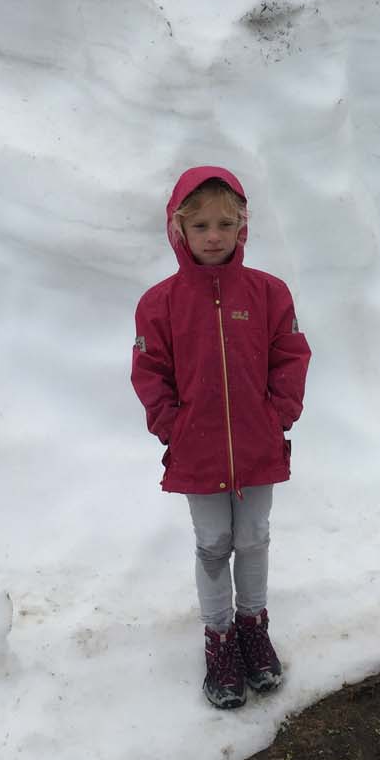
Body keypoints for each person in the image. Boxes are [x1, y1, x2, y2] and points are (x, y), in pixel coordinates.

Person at [131, 166, 311, 709]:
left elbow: (290, 354)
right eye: (202, 224)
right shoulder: (159, 302)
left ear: (242, 228)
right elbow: (149, 372)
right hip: (197, 449)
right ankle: (220, 638)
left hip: (257, 446)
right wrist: (173, 425)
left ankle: (253, 625)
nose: (214, 235)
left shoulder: (267, 292)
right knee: (212, 544)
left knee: (253, 537)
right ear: (178, 229)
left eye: (225, 224)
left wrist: (278, 413)